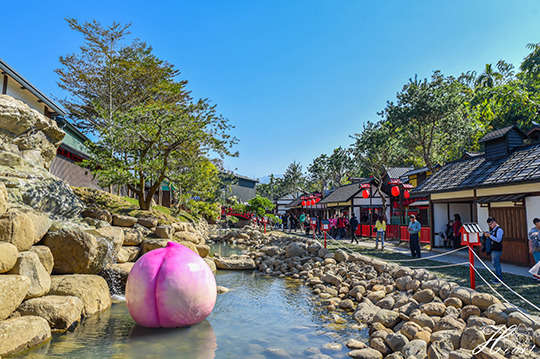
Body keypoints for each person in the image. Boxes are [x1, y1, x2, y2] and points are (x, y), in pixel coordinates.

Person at [483, 217, 504, 282]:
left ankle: (499, 278)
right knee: (494, 264)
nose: (490, 225)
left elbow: (498, 240)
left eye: (491, 224)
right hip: (493, 250)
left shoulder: (499, 230)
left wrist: (489, 235)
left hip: (497, 250)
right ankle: (497, 277)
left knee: (496, 264)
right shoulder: (493, 230)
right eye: (489, 224)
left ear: (494, 222)